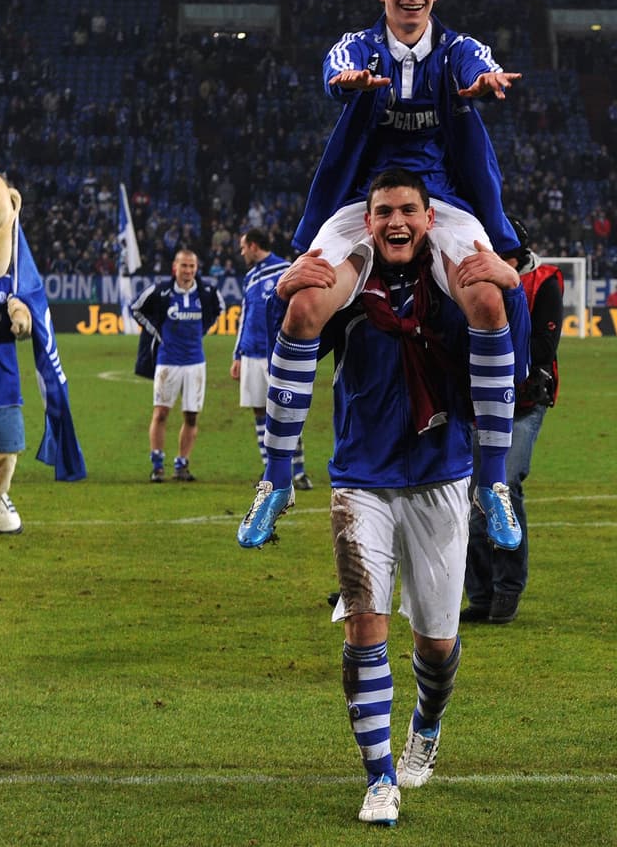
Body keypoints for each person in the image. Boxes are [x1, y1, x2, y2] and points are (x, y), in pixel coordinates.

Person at [238, 169, 530, 826]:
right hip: (360, 481)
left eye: (407, 211)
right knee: (365, 626)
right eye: (383, 212)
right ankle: (378, 779)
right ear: (365, 222)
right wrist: (278, 293)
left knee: (435, 645)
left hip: (441, 476)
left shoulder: (457, 284)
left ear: (431, 219)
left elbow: (504, 350)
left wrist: (506, 292)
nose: (396, 222)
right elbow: (293, 338)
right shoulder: (346, 284)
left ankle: (426, 723)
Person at [258, 0, 524, 550]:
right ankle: (274, 480)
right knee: (302, 306)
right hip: (362, 204)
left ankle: (492, 484)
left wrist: (484, 83)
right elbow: (336, 68)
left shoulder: (456, 49)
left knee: (485, 296)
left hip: (440, 206)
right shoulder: (358, 47)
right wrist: (345, 82)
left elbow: (475, 65)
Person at [463, 228, 563, 626]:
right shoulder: (471, 278)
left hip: (524, 402)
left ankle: (507, 590)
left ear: (517, 257)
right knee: (471, 501)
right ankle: (481, 594)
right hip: (480, 403)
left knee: (503, 487)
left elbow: (542, 348)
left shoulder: (545, 282)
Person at [229, 230, 315, 489]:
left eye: (244, 247)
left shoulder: (286, 269)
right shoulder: (250, 277)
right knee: (258, 411)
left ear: (254, 245)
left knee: (286, 411)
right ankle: (271, 471)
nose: (242, 252)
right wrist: (237, 354)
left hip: (276, 353)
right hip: (251, 353)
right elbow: (245, 317)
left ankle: (298, 472)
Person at [131, 248, 224, 482]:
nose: (188, 271)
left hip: (195, 363)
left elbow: (219, 309)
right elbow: (136, 308)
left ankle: (182, 464)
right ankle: (157, 465)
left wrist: (204, 329)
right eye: (184, 266)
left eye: (192, 266)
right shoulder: (162, 291)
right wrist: (157, 332)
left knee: (191, 416)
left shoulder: (206, 291)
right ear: (175, 268)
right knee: (161, 413)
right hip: (167, 362)